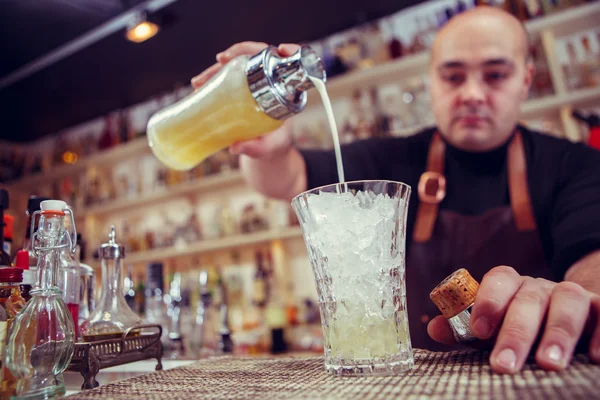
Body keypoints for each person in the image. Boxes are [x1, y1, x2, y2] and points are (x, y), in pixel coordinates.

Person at [191, 6, 600, 374]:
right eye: (453, 75)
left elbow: (592, 261)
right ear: (431, 81)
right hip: (406, 384)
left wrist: (581, 296)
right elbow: (287, 179)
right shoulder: (394, 160)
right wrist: (268, 140)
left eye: (495, 75)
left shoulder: (574, 164)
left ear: (526, 79)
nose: (472, 93)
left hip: (529, 373)